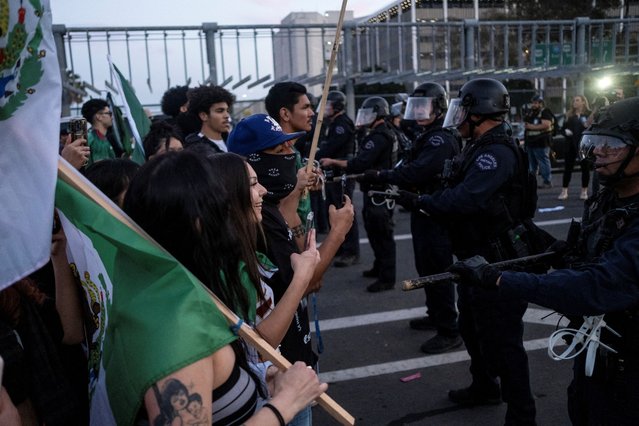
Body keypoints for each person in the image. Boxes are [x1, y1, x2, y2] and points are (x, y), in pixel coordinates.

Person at [448, 96, 639, 425]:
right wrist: (554, 249)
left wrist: (499, 279)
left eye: (612, 144)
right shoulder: (610, 196)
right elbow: (587, 258)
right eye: (596, 142)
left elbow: (599, 285)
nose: (598, 152)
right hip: (598, 355)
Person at [123, 150, 328, 425]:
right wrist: (285, 404)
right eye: (222, 203)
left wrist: (256, 377)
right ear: (199, 222)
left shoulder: (177, 291)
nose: (261, 193)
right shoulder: (177, 329)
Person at [396, 79, 537, 425]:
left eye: (464, 109)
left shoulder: (496, 152)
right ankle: (484, 386)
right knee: (472, 328)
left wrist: (423, 201)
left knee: (504, 342)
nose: (458, 116)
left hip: (497, 257)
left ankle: (523, 415)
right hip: (476, 255)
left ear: (479, 113)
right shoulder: (477, 145)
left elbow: (465, 199)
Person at [227, 113, 354, 426]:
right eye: (280, 152)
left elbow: (293, 240)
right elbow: (305, 278)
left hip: (293, 350)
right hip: (279, 365)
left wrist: (294, 192)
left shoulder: (266, 208)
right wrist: (338, 232)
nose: (291, 158)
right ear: (250, 163)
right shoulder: (254, 218)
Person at [359, 82, 462, 353]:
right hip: (421, 208)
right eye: (414, 107)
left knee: (437, 268)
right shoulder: (426, 134)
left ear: (439, 108)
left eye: (423, 107)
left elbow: (416, 172)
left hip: (435, 212)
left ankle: (449, 329)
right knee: (425, 265)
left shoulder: (440, 138)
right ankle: (435, 315)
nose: (417, 112)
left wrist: (381, 176)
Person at [321, 96, 397, 292]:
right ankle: (380, 266)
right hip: (373, 188)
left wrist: (334, 162)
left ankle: (387, 277)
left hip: (379, 190)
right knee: (373, 230)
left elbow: (360, 163)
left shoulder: (379, 136)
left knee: (382, 233)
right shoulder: (378, 133)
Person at [317, 90, 360, 267]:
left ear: (338, 106)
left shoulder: (341, 123)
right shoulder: (334, 123)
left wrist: (319, 153)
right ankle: (341, 247)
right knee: (334, 208)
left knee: (345, 210)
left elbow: (334, 146)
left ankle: (351, 251)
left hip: (342, 173)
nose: (326, 108)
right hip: (334, 173)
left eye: (329, 104)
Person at [558, 95, 592, 201]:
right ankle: (564, 191)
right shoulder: (569, 115)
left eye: (577, 100)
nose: (575, 102)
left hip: (583, 145)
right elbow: (561, 129)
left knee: (585, 168)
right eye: (573, 100)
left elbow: (593, 127)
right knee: (568, 168)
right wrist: (565, 132)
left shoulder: (588, 114)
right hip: (570, 145)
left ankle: (584, 191)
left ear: (583, 102)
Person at [184, 85, 234, 153]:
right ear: (203, 116)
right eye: (220, 111)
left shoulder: (233, 141)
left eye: (227, 111)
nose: (227, 115)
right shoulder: (195, 150)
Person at [524, 94, 554, 189]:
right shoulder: (531, 112)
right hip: (531, 141)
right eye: (533, 103)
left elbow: (546, 125)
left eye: (536, 103)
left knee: (543, 162)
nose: (533, 105)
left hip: (541, 141)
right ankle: (531, 182)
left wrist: (531, 127)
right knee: (531, 164)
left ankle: (547, 181)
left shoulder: (545, 112)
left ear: (541, 103)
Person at [81, 98, 115, 165]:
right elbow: (102, 168)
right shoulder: (94, 140)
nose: (112, 117)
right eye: (109, 113)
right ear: (99, 117)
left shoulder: (98, 137)